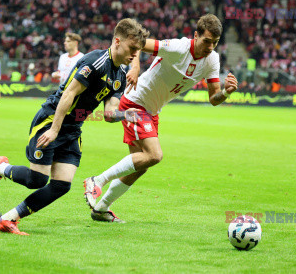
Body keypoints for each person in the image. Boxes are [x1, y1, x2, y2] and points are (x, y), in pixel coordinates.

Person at [0, 18, 150, 235]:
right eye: (132, 48)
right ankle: (1, 169)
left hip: (73, 128)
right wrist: (54, 130)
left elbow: (108, 113)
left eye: (138, 50)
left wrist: (126, 115)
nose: (135, 54)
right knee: (37, 180)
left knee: (61, 185)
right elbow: (68, 94)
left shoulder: (120, 76)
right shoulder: (95, 62)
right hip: (51, 119)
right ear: (117, 41)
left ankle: (8, 219)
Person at [84, 14, 239, 223]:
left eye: (215, 43)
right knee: (155, 155)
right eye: (207, 41)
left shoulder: (212, 60)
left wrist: (227, 93)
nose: (211, 47)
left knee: (140, 166)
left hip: (152, 110)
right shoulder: (177, 48)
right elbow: (137, 42)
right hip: (136, 102)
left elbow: (213, 98)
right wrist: (136, 66)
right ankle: (96, 180)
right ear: (196, 36)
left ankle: (101, 209)